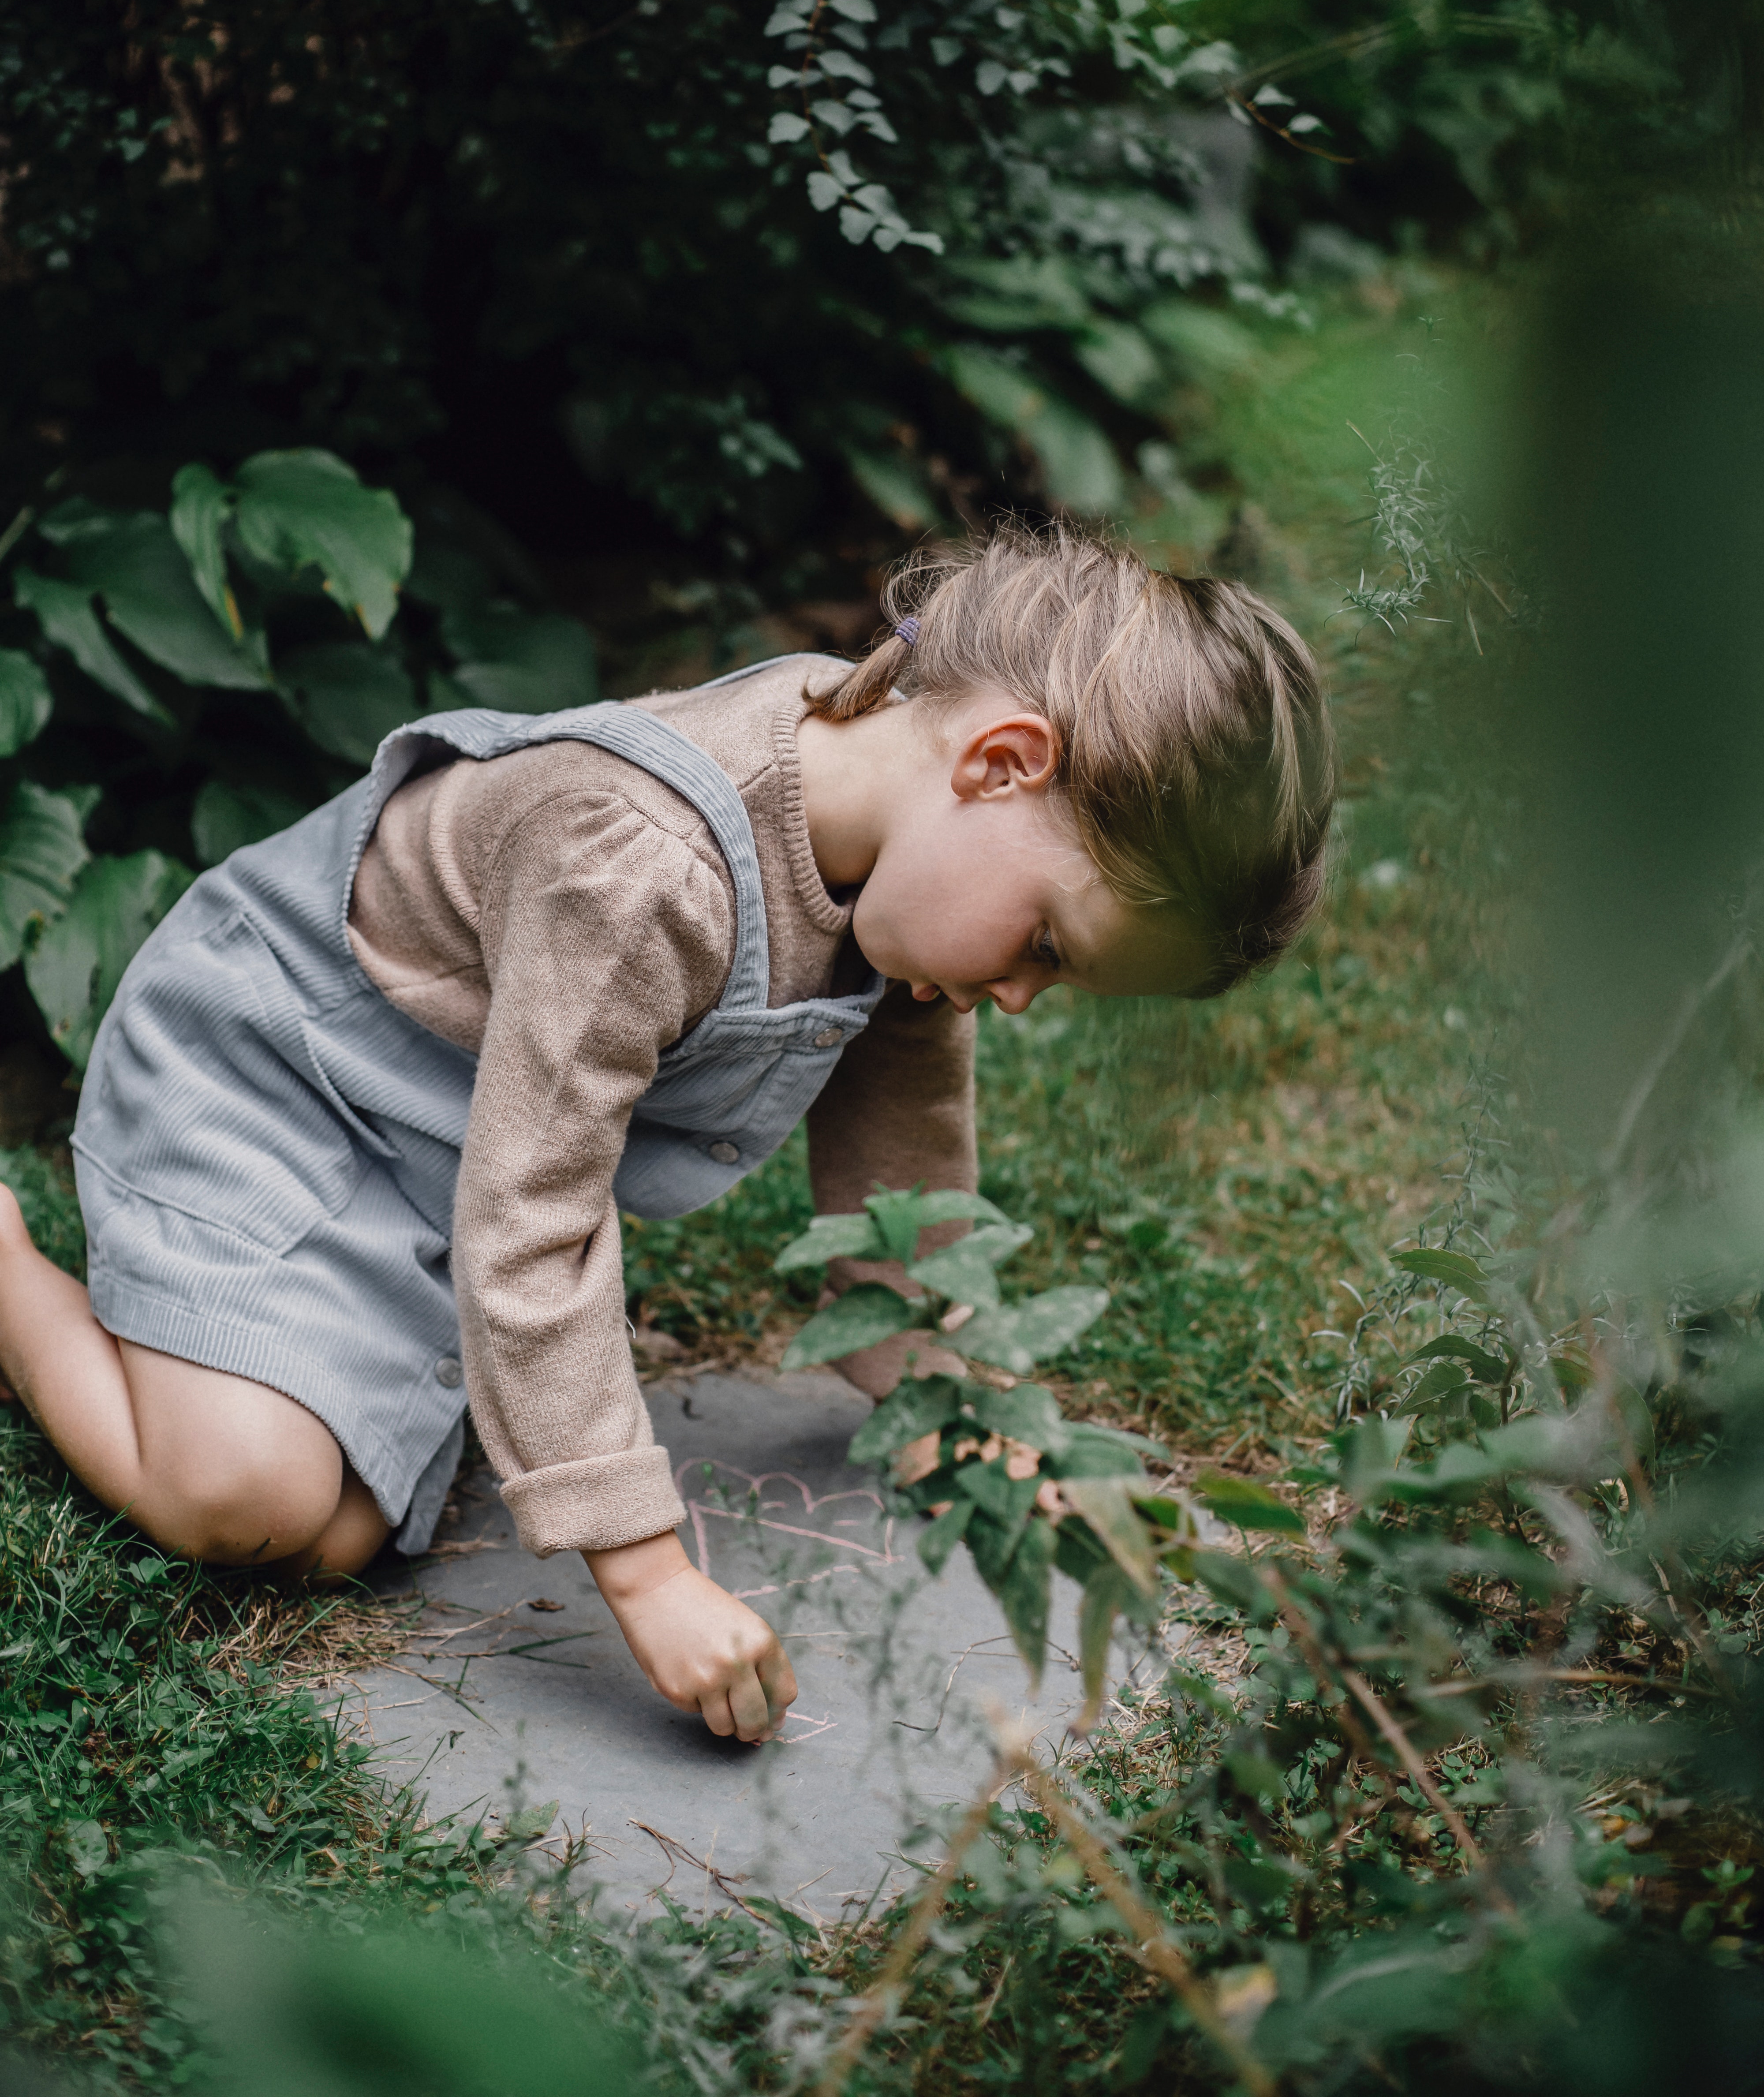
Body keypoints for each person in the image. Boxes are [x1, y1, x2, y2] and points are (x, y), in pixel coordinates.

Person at [0, 523, 1334, 1746]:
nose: (1024, 995)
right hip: (277, 1075)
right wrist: (646, 1574)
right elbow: (535, 1216)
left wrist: (944, 1401)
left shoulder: (904, 846)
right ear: (998, 763)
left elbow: (902, 1162)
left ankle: (409, 1349)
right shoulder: (643, 862)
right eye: (1047, 944)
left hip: (448, 1148)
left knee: (339, 1535)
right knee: (242, 1502)